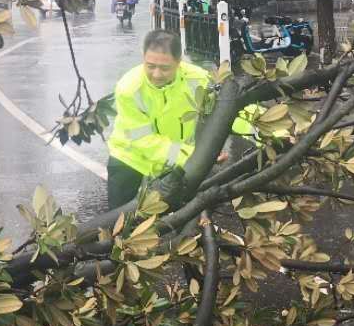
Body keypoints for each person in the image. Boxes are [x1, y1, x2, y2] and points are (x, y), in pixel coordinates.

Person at [106, 30, 256, 208]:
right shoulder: (129, 88)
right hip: (131, 158)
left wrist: (275, 132)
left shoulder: (197, 79)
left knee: (180, 217)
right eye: (150, 65)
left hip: (177, 160)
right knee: (120, 220)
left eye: (165, 68)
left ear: (179, 62)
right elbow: (143, 140)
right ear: (143, 58)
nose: (156, 74)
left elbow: (230, 109)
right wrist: (192, 156)